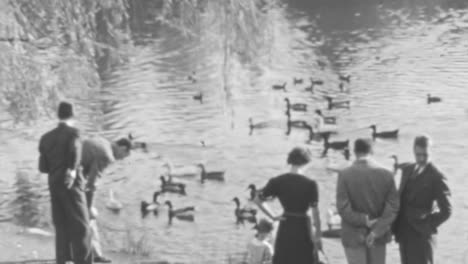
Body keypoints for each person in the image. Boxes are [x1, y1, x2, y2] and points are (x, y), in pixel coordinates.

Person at [38, 101, 93, 264]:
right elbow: (75, 150)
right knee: (81, 226)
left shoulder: (45, 138)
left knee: (61, 226)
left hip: (54, 184)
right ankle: (82, 261)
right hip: (72, 184)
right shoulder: (74, 133)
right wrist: (73, 169)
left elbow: (43, 167)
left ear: (58, 115)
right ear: (73, 115)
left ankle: (62, 260)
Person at [255, 147, 322, 264]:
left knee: (284, 258)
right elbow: (316, 213)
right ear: (306, 163)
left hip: (286, 223)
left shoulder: (277, 181)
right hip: (303, 225)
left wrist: (273, 217)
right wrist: (318, 236)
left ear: (290, 161)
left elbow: (257, 199)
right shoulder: (311, 184)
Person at [336, 139, 399, 264]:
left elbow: (343, 208)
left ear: (354, 152)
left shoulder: (344, 174)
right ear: (372, 150)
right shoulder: (387, 174)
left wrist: (364, 220)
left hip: (353, 236)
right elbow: (393, 207)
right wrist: (377, 231)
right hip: (378, 237)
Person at [392, 135, 452, 264]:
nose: (421, 158)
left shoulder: (436, 176)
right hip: (403, 234)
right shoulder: (408, 169)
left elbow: (447, 211)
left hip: (422, 238)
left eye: (425, 155)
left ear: (431, 152)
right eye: (418, 154)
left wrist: (427, 224)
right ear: (414, 150)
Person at [81, 136, 132, 263]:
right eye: (123, 156)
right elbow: (92, 182)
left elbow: (86, 165)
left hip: (68, 173)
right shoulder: (107, 155)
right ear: (123, 148)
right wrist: (89, 207)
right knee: (89, 218)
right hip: (71, 180)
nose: (120, 159)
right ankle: (91, 256)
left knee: (81, 220)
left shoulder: (103, 141)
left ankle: (93, 254)